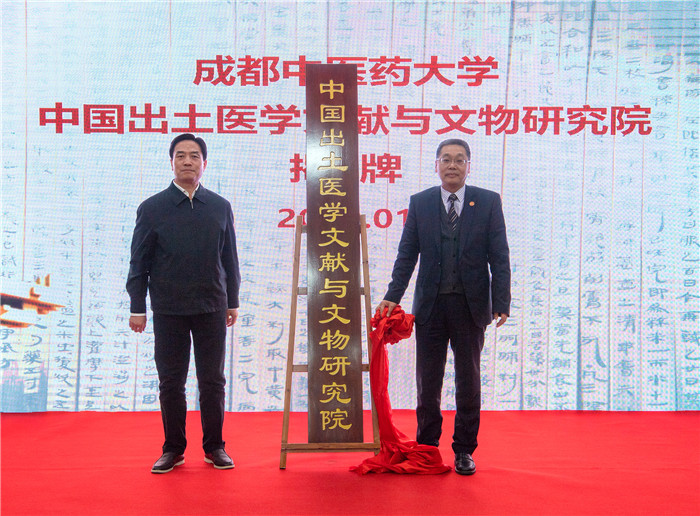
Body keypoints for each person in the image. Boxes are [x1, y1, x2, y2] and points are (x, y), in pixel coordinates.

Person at [376, 138, 511, 476]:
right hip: (431, 307)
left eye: (459, 160)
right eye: (446, 159)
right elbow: (407, 254)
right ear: (436, 165)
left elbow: (499, 256)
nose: (453, 165)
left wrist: (501, 301)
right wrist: (393, 295)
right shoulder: (420, 203)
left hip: (471, 307)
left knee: (469, 381)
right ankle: (427, 446)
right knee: (428, 381)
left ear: (469, 166)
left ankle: (464, 450)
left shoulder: (488, 202)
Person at [126, 134, 240, 474]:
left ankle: (215, 446)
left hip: (212, 306)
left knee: (213, 381)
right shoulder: (152, 208)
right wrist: (137, 306)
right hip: (169, 308)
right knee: (171, 382)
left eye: (194, 155)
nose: (187, 161)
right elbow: (139, 261)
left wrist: (232, 300)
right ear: (172, 162)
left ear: (204, 163)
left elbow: (230, 259)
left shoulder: (219, 206)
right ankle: (173, 449)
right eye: (180, 155)